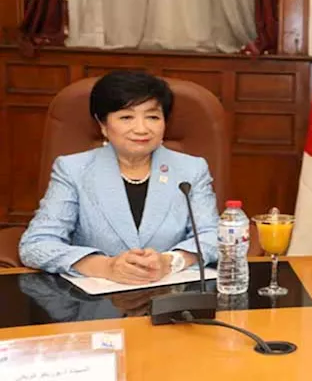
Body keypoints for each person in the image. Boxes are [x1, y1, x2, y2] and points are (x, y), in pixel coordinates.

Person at [19, 71, 219, 284]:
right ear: (103, 125)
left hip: (169, 294)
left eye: (152, 117)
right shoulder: (73, 170)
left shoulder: (191, 169)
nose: (141, 129)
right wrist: (105, 266)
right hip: (94, 299)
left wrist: (170, 261)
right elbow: (36, 244)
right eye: (126, 117)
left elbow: (214, 237)